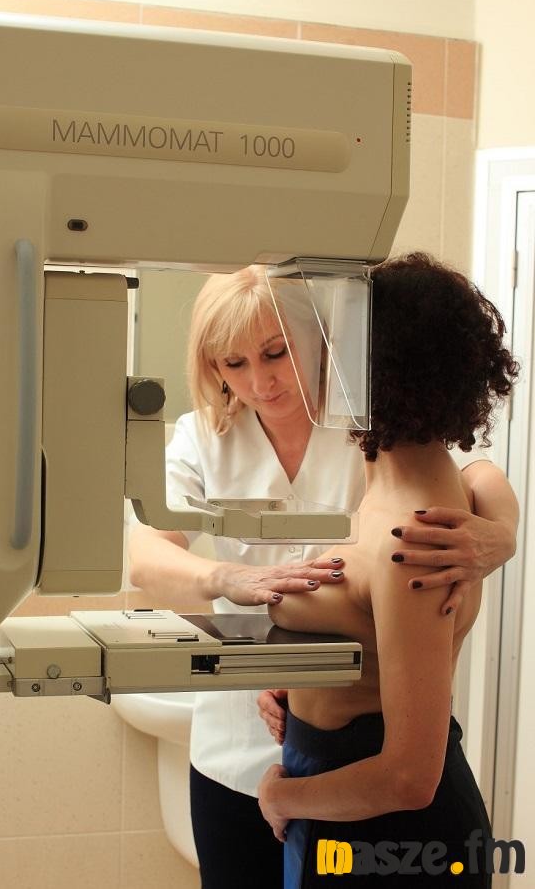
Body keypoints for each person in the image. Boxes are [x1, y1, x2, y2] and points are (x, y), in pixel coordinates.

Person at [128, 264, 518, 889]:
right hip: (251, 750)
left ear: (320, 345)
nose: (260, 381)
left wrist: (502, 532)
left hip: (352, 776)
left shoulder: (374, 439)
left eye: (276, 353)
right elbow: (145, 552)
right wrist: (229, 579)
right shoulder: (207, 439)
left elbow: (478, 472)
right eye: (233, 363)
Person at [257, 252, 519, 888]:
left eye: (328, 348)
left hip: (390, 840)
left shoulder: (414, 538)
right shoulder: (424, 486)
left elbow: (408, 777)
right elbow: (483, 475)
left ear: (368, 367)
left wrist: (282, 797)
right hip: (348, 810)